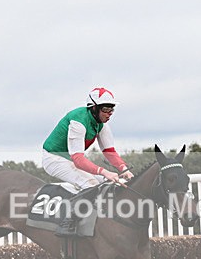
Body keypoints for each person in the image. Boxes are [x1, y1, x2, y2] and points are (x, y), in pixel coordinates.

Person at [42, 87, 134, 235]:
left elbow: (109, 152)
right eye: (105, 109)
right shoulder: (78, 122)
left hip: (70, 159)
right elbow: (78, 160)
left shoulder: (101, 123)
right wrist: (104, 171)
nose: (109, 113)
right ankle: (68, 223)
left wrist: (124, 169)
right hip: (54, 158)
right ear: (93, 108)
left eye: (112, 109)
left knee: (108, 183)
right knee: (91, 185)